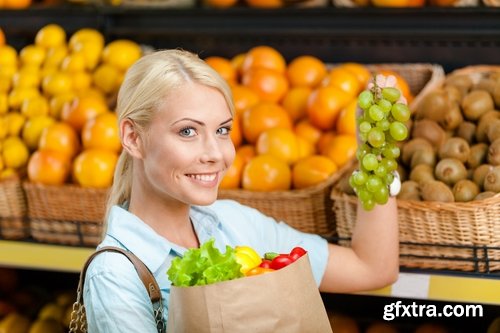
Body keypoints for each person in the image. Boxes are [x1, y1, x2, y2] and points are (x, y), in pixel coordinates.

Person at [83, 49, 400, 332]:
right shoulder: (115, 275)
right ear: (133, 138)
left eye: (222, 130)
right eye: (188, 131)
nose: (215, 154)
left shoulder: (234, 224)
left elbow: (371, 268)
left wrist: (375, 153)